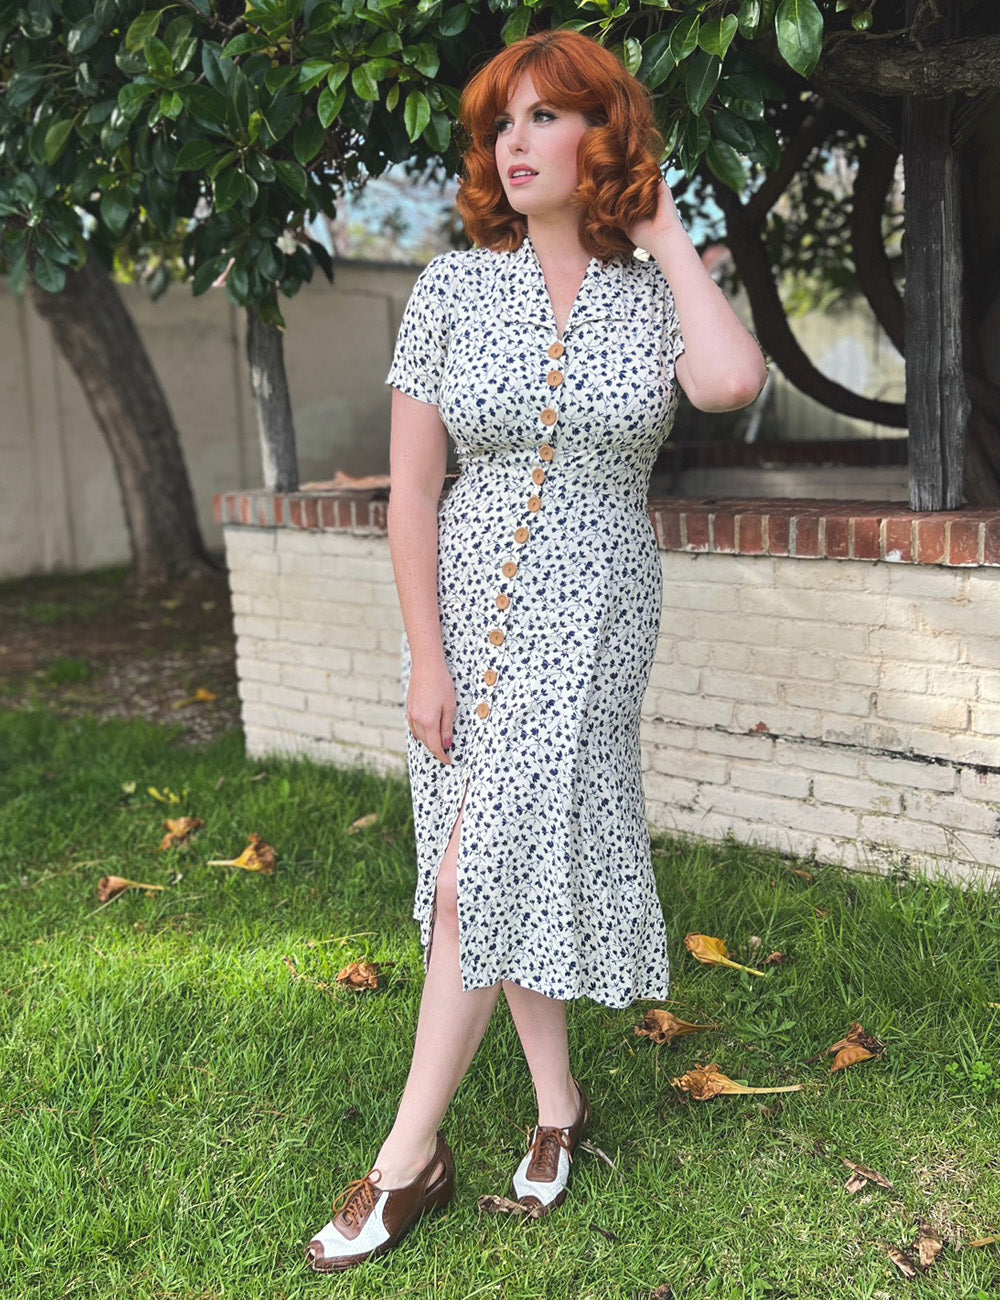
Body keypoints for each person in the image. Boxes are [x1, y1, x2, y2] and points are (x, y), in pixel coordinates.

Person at [306, 28, 767, 1273]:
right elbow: (410, 494)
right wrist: (426, 658)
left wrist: (667, 230)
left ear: (600, 138)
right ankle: (558, 1108)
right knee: (497, 858)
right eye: (501, 121)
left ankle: (409, 1160)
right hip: (467, 604)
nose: (515, 143)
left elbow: (728, 381)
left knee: (477, 871)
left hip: (598, 604)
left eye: (546, 118)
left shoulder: (650, 291)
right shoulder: (450, 290)